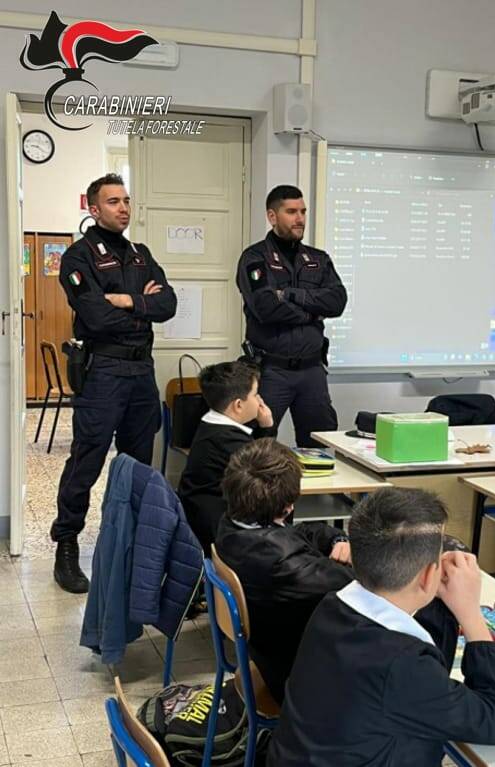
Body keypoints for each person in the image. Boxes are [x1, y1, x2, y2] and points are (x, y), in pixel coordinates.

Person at [268, 487, 495, 767]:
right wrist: (471, 615)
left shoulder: (332, 607)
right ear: (428, 575)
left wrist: (439, 599)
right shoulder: (402, 666)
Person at [51, 173, 177, 594]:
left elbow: (169, 304)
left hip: (142, 373)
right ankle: (66, 544)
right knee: (87, 460)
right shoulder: (78, 257)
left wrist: (126, 300)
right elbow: (94, 316)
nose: (123, 208)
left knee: (136, 464)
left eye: (126, 200)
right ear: (93, 208)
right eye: (113, 201)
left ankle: (132, 543)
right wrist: (144, 307)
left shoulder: (141, 254)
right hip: (103, 371)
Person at [217, 438, 353, 704]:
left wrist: (337, 539)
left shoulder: (233, 523)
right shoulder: (284, 564)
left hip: (270, 651)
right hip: (299, 676)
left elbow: (298, 533)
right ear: (288, 507)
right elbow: (357, 585)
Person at [236, 185, 347, 446]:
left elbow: (337, 302)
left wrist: (289, 294)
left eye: (303, 211)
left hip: (312, 371)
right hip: (272, 370)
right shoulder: (254, 258)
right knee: (257, 444)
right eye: (291, 212)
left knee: (322, 444)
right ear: (272, 216)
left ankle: (320, 490)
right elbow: (265, 307)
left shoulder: (318, 259)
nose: (300, 218)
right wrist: (314, 313)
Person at [178, 360, 274, 556]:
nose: (260, 401)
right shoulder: (227, 439)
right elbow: (267, 467)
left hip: (203, 519)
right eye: (255, 395)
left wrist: (263, 429)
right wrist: (268, 426)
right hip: (219, 534)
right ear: (238, 405)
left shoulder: (212, 425)